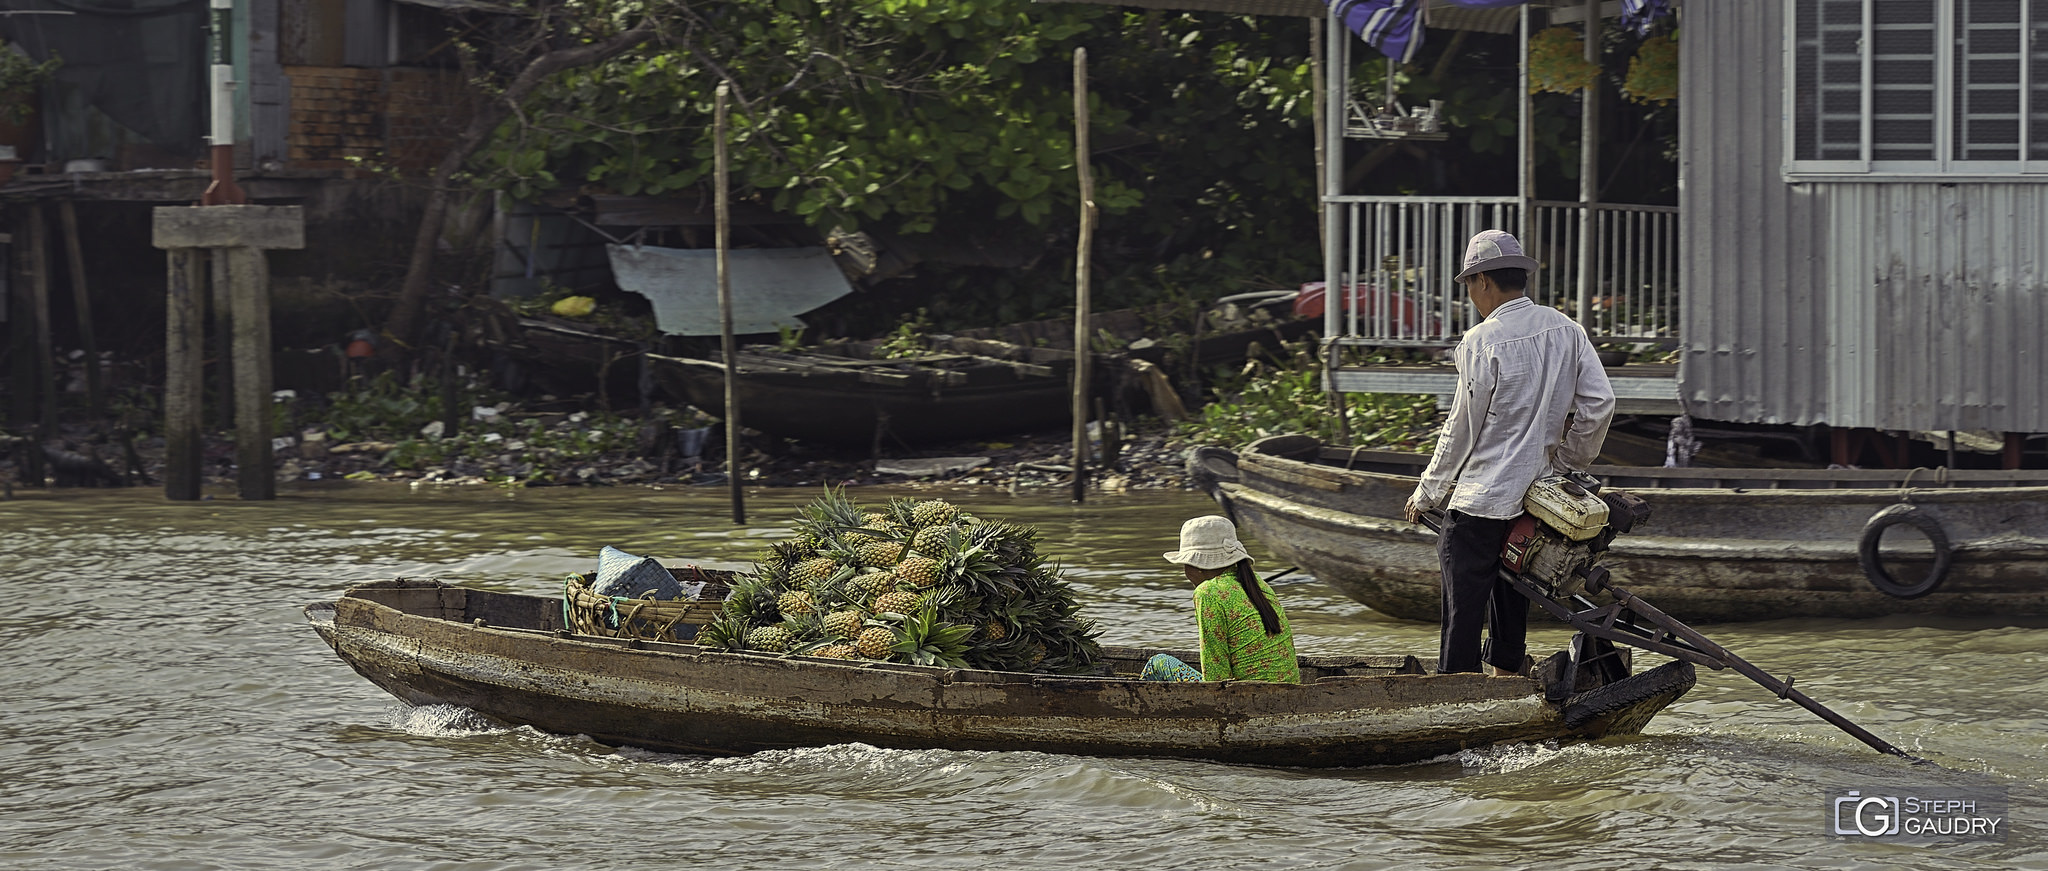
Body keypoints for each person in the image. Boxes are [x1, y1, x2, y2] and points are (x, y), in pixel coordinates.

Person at [1403, 229, 1615, 677]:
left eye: (1469, 286)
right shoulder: (1566, 329)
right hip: (1535, 499)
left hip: (1481, 500)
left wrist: (1428, 491)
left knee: (1463, 610)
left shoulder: (1482, 341)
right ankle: (1505, 677)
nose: (1471, 296)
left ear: (1482, 281)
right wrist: (1565, 466)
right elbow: (1600, 404)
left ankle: (1457, 688)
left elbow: (1461, 427)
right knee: (1513, 589)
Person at [1142, 515, 1300, 684]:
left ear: (1198, 566)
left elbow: (1216, 677)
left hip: (1242, 698)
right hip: (1287, 689)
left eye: (1185, 564)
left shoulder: (1208, 592)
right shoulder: (1257, 584)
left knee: (1158, 663)